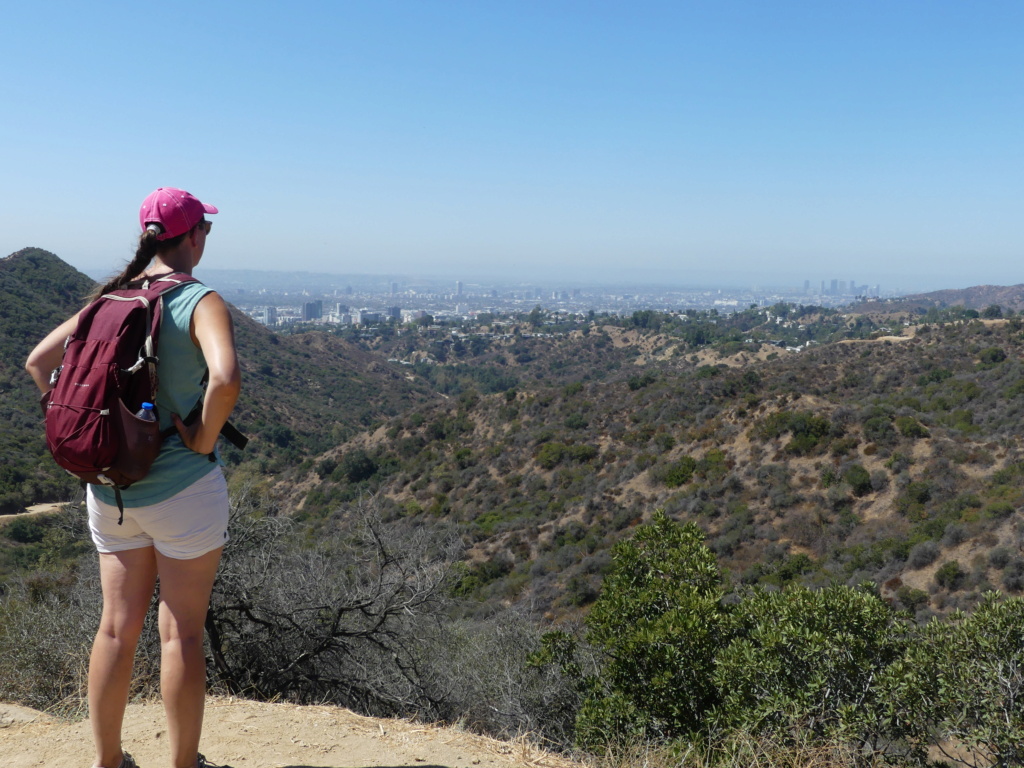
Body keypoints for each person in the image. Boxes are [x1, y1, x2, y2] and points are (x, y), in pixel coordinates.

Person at [26, 188, 241, 768]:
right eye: (205, 231)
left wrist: (92, 431)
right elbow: (225, 379)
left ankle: (107, 762)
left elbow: (38, 363)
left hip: (109, 488)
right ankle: (183, 763)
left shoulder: (110, 299)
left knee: (116, 631)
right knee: (181, 634)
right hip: (183, 489)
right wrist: (201, 436)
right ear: (192, 236)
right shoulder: (198, 299)